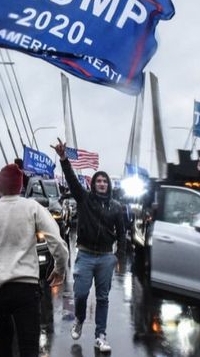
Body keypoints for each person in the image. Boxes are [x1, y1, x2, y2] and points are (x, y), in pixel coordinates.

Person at [0, 163, 68, 357]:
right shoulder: (32, 207)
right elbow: (58, 242)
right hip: (26, 289)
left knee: (4, 338)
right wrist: (59, 269)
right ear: (20, 186)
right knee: (28, 346)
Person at [51, 138, 125, 353]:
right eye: (98, 181)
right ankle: (80, 319)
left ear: (108, 185)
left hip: (105, 258)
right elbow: (73, 181)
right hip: (85, 255)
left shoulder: (116, 207)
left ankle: (100, 335)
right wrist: (64, 158)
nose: (102, 183)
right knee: (81, 294)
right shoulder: (84, 199)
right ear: (93, 184)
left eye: (105, 181)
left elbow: (122, 233)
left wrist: (117, 257)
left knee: (102, 298)